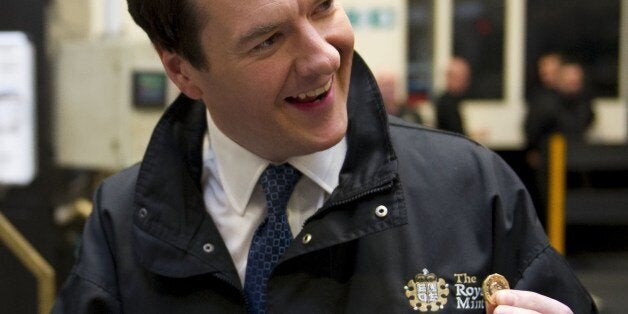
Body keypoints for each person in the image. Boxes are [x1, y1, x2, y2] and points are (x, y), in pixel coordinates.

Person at [53, 0, 596, 313]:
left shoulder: (471, 186)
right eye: (267, 40)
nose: (323, 56)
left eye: (322, 6)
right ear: (182, 71)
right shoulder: (122, 222)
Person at [434, 56, 471, 135]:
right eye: (461, 78)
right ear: (449, 77)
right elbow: (455, 133)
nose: (465, 82)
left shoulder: (453, 101)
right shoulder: (447, 103)